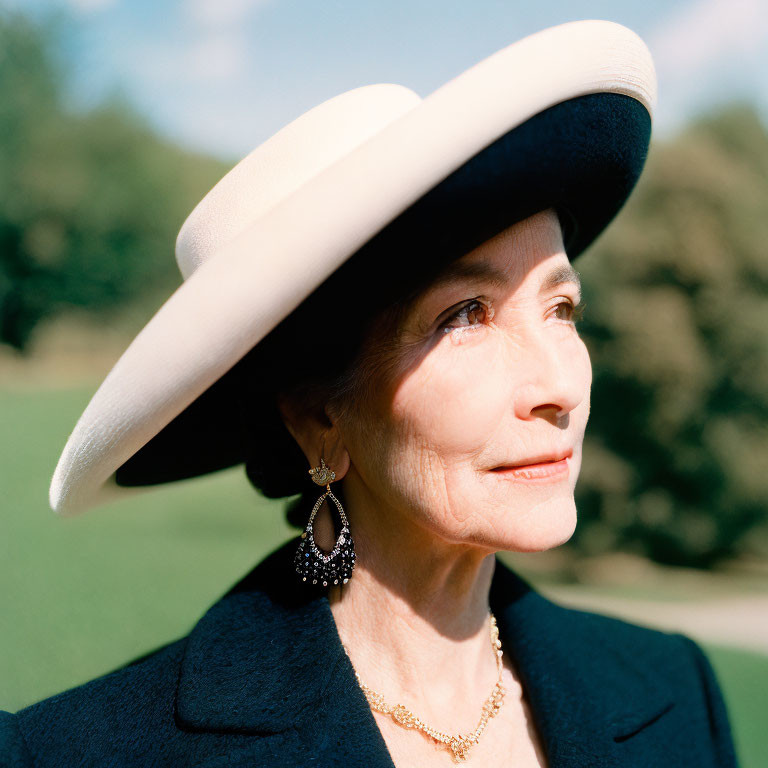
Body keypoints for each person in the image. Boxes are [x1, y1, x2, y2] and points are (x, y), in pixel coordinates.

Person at [0, 20, 738, 768]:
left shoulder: (676, 695)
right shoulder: (72, 753)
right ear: (320, 418)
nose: (558, 387)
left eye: (561, 308)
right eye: (466, 317)